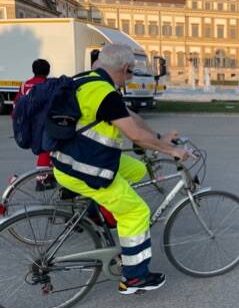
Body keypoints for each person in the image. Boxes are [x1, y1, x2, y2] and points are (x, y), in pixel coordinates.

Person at [51, 44, 190, 294]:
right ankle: (134, 277)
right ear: (125, 68)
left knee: (136, 170)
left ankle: (100, 214)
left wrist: (159, 136)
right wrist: (171, 151)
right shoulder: (106, 93)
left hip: (70, 158)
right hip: (85, 168)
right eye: (131, 73)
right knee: (137, 212)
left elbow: (131, 117)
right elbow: (135, 135)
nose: (131, 77)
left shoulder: (87, 80)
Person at [12, 59, 54, 190]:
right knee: (45, 150)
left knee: (46, 150)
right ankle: (41, 180)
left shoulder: (25, 85)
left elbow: (16, 105)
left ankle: (48, 174)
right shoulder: (48, 85)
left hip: (28, 124)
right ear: (48, 71)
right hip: (43, 124)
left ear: (33, 70)